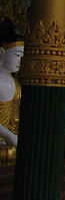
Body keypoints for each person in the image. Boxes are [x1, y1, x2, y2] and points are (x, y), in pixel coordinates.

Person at [0, 20, 24, 165]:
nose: (20, 60)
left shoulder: (15, 83)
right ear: (1, 52)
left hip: (9, 140)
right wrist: (10, 136)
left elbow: (15, 118)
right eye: (16, 55)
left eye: (22, 55)